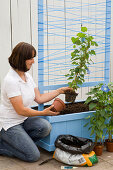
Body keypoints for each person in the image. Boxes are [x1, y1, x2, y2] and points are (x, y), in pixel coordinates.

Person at [0, 42, 72, 162]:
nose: (33, 61)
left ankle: (18, 143)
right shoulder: (11, 80)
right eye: (30, 58)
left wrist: (60, 91)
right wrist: (43, 113)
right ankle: (3, 144)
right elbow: (21, 110)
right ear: (21, 59)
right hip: (10, 124)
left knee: (45, 127)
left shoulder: (27, 76)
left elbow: (39, 98)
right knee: (33, 156)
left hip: (24, 120)